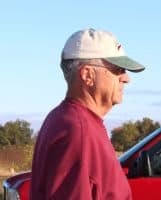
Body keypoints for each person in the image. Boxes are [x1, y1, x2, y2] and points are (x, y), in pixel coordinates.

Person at [30, 28, 145, 200]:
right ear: (87, 75)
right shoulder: (78, 130)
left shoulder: (66, 119)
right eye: (118, 69)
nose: (126, 78)